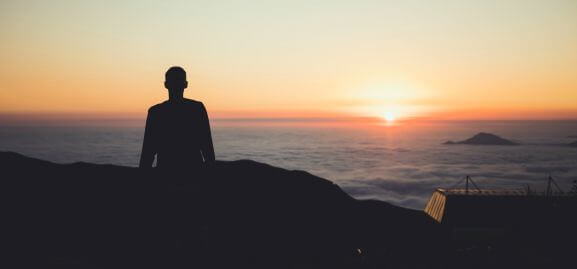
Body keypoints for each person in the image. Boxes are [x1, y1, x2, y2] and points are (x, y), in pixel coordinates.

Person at [139, 66, 215, 169]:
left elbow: (148, 151)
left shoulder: (156, 112)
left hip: (165, 172)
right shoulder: (197, 108)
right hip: (194, 172)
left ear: (166, 85)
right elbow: (207, 146)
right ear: (186, 84)